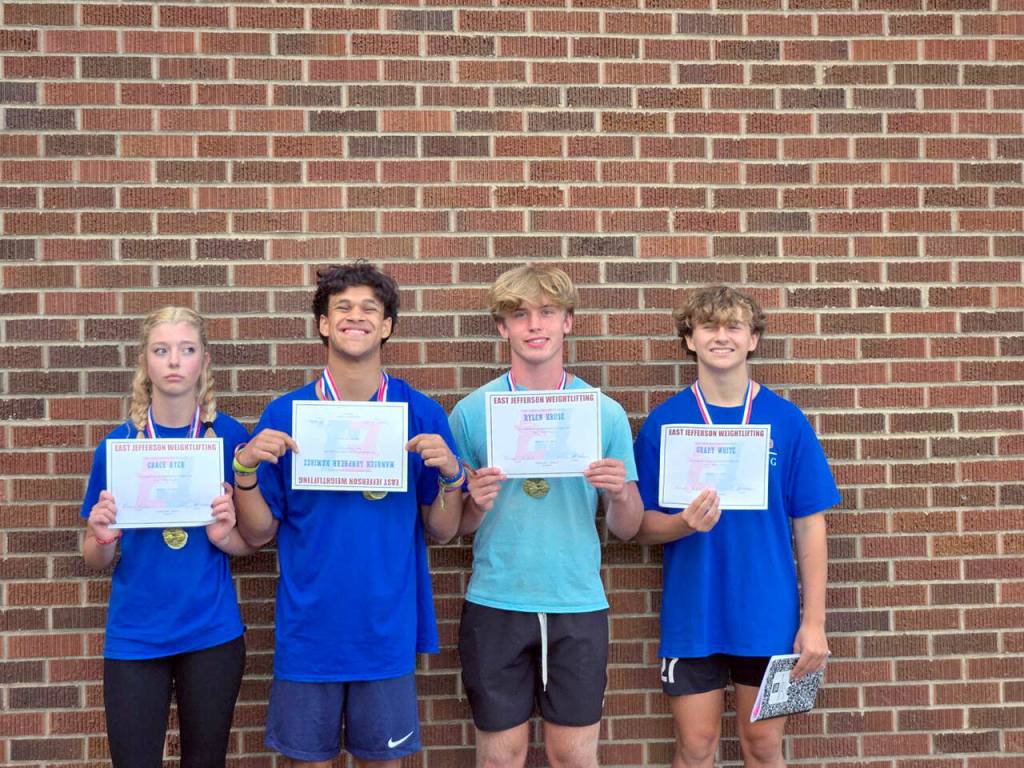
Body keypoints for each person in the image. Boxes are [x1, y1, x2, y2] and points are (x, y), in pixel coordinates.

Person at [232, 262, 464, 768]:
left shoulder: (421, 413)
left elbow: (443, 531)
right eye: (342, 308)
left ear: (386, 326)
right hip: (309, 628)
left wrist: (451, 476)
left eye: (369, 309)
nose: (355, 317)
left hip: (384, 628)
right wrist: (244, 471)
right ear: (323, 323)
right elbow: (258, 532)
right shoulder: (285, 414)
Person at [633, 285, 841, 768]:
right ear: (690, 339)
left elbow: (811, 524)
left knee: (764, 748)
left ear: (753, 339)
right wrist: (682, 524)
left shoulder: (787, 421)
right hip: (694, 615)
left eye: (734, 326)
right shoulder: (665, 423)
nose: (721, 336)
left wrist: (814, 623)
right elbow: (639, 526)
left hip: (771, 616)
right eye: (708, 326)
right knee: (695, 748)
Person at [448, 264, 644, 768]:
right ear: (503, 328)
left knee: (573, 757)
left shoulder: (603, 412)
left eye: (547, 312)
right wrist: (474, 501)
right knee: (501, 758)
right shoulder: (472, 412)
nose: (534, 325)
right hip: (497, 600)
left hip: (575, 600)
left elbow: (626, 527)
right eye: (519, 315)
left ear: (567, 322)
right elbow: (454, 527)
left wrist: (620, 494)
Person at [82, 306, 253, 768]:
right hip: (136, 635)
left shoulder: (230, 438)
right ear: (145, 361)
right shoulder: (118, 446)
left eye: (186, 350)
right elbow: (95, 557)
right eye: (161, 350)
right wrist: (102, 537)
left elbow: (250, 543)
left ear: (204, 361)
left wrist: (226, 537)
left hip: (211, 633)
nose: (174, 361)